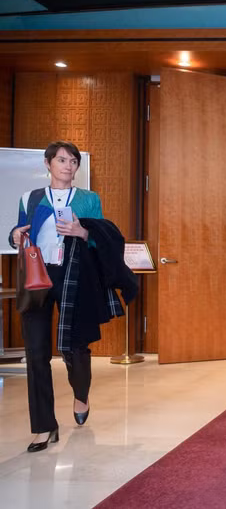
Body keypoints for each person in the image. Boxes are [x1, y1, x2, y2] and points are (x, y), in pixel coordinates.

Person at [8, 141, 137, 453]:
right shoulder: (31, 197)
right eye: (61, 160)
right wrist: (14, 236)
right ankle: (43, 428)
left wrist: (83, 233)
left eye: (73, 161)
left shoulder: (89, 200)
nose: (67, 166)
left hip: (74, 275)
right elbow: (20, 233)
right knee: (36, 353)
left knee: (73, 346)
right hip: (38, 276)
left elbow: (104, 239)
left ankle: (81, 392)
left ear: (77, 168)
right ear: (49, 164)